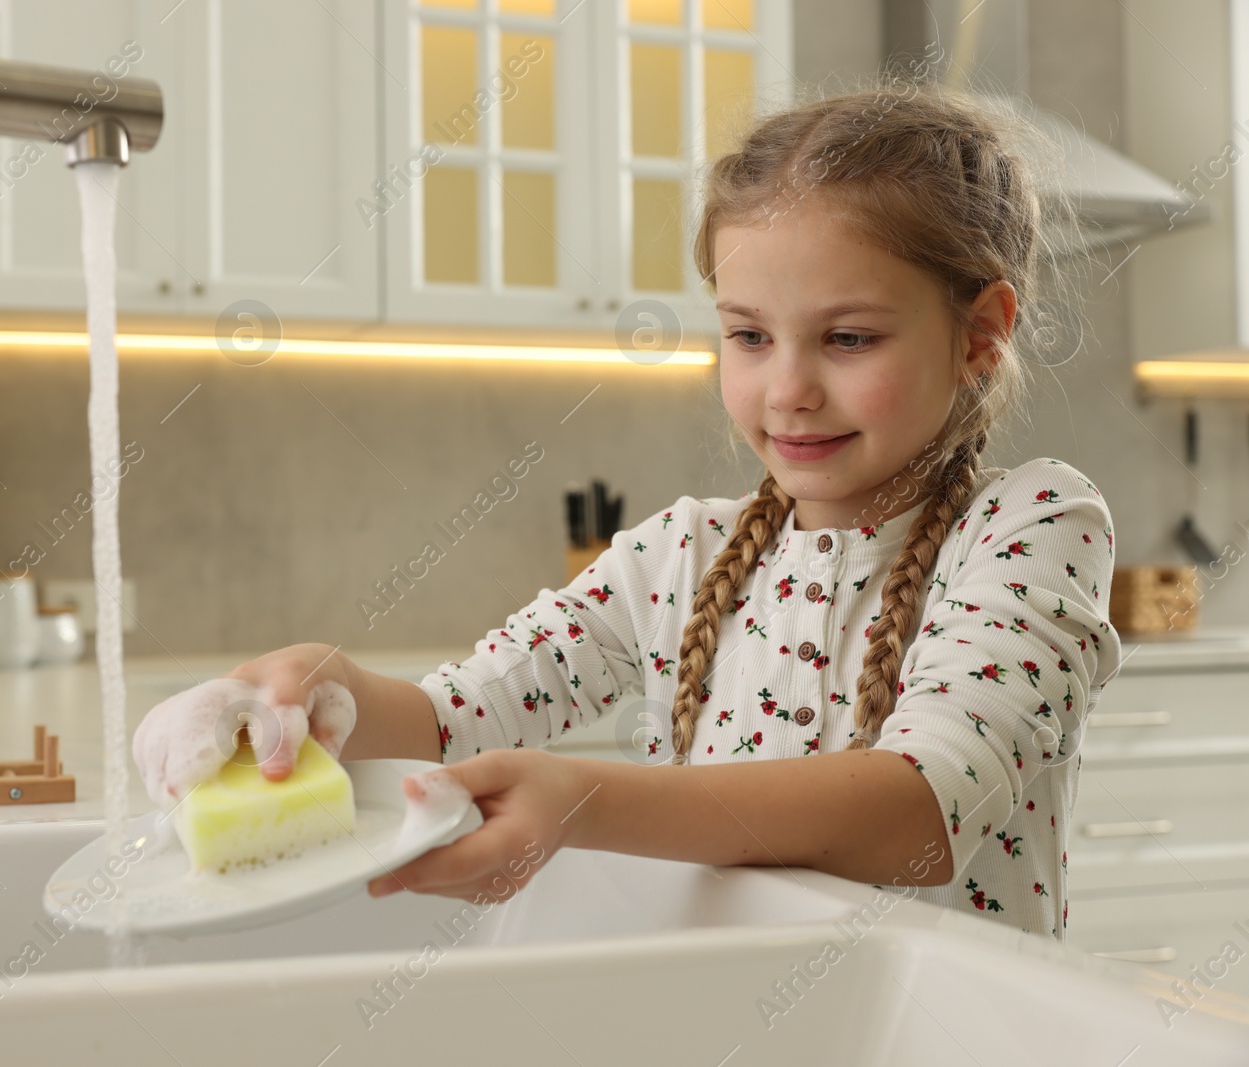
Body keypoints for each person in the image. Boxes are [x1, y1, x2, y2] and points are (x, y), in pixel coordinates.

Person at [132, 80, 1120, 941]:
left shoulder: (1030, 525)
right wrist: (313, 690)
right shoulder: (677, 555)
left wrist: (584, 798)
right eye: (747, 335)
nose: (787, 389)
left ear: (981, 334)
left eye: (848, 337)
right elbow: (449, 721)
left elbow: (919, 809)